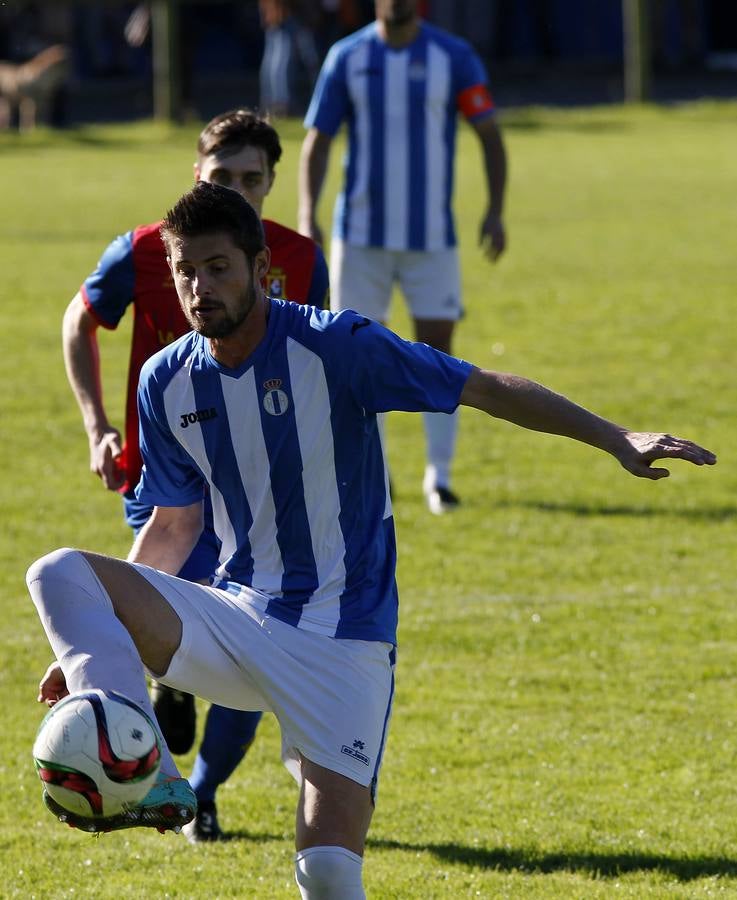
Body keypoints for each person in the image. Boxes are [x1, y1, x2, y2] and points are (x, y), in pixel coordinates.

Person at [31, 182, 714, 897]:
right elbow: (172, 527)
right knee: (59, 573)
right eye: (185, 272)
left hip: (343, 641)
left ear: (262, 268)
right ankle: (151, 775)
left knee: (325, 874)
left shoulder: (336, 347)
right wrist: (100, 645)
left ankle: (167, 771)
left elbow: (482, 388)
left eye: (218, 267)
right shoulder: (164, 380)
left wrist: (614, 437)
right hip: (236, 618)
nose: (200, 287)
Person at [61, 109, 328, 843]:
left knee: (256, 652)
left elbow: (319, 369)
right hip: (167, 489)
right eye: (222, 178)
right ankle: (159, 688)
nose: (237, 192)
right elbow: (78, 321)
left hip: (262, 502)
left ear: (273, 183)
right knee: (162, 624)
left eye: (252, 180)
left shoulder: (301, 258)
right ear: (195, 176)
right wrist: (98, 426)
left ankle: (202, 790)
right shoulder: (143, 252)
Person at [298, 0, 507, 515]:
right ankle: (378, 472)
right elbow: (317, 141)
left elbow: (490, 134)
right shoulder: (347, 56)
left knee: (439, 349)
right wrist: (308, 215)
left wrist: (495, 211)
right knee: (358, 352)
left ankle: (440, 477)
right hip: (361, 237)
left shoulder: (453, 56)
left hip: (432, 237)